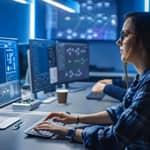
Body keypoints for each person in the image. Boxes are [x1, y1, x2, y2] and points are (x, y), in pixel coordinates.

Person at [35, 12, 150, 149]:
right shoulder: (142, 78)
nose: (118, 41)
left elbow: (114, 139)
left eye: (124, 35)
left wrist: (68, 132)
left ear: (144, 39)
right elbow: (120, 112)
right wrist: (76, 118)